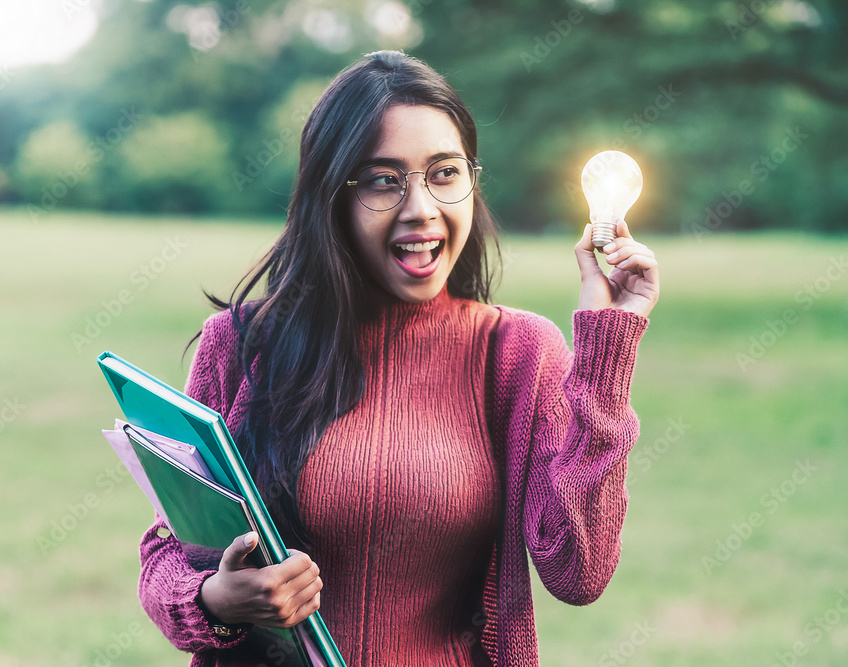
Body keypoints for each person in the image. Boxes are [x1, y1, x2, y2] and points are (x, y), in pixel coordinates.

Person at [136, 50, 659, 667]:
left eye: (444, 173)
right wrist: (215, 597)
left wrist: (607, 350)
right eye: (384, 180)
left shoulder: (516, 353)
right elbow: (168, 555)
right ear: (332, 197)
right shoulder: (241, 346)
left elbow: (579, 569)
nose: (421, 209)